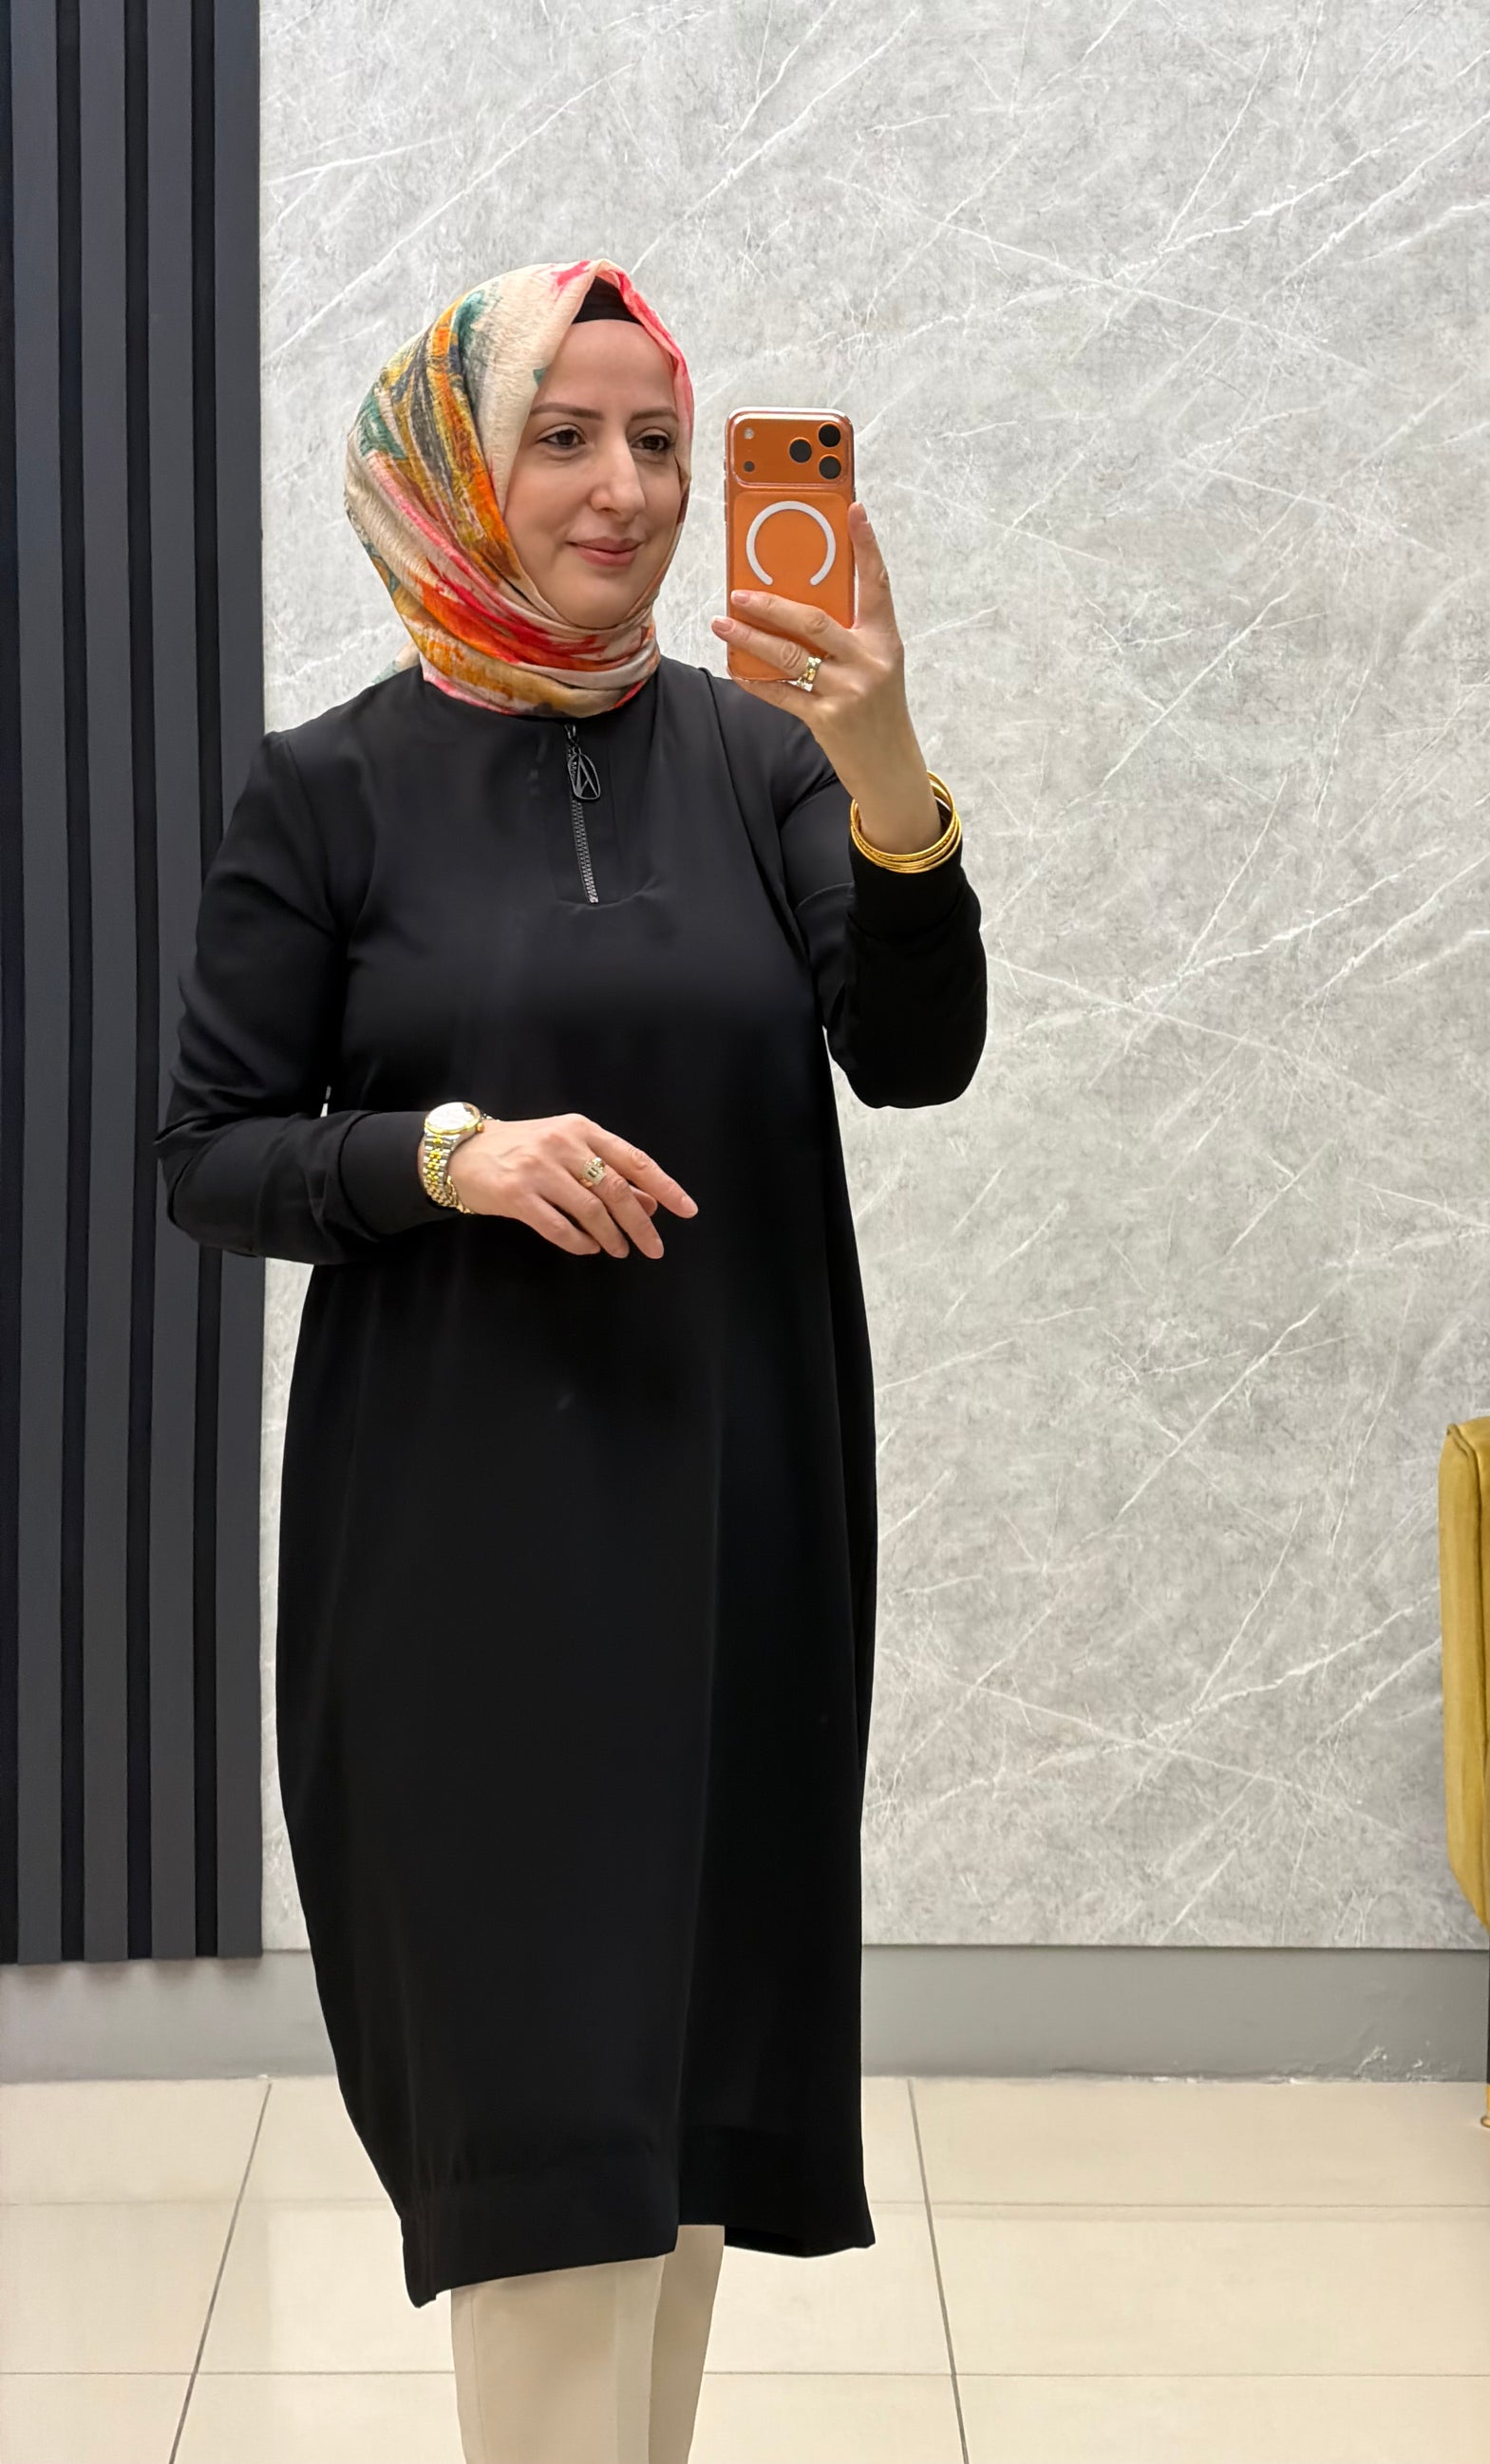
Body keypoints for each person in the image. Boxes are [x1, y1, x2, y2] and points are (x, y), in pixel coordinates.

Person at [154, 255, 988, 2464]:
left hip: (735, 1527)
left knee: (675, 2113)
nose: (626, 487)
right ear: (454, 463)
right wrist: (451, 1152)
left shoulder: (760, 762)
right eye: (564, 434)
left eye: (658, 441)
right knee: (540, 2129)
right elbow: (210, 1153)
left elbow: (914, 1053)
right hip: (459, 1562)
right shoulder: (327, 792)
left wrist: (887, 768)